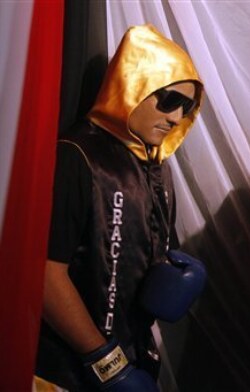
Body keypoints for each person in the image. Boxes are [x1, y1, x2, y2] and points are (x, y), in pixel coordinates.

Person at [36, 25, 206, 391]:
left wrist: (167, 271)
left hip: (133, 361)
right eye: (168, 99)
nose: (177, 117)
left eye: (188, 107)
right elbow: (44, 274)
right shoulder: (76, 155)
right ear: (134, 84)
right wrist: (107, 364)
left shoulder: (156, 168)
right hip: (64, 373)